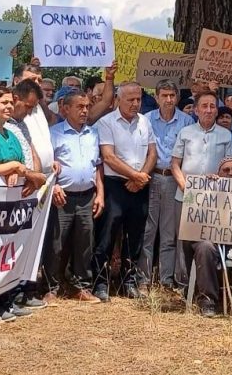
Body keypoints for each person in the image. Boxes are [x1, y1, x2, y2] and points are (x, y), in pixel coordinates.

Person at [0, 87, 47, 327]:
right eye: (2, 103)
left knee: (6, 253)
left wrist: (21, 170)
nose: (8, 106)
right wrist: (15, 167)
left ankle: (6, 301)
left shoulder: (10, 134)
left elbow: (22, 166)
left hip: (12, 206)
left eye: (9, 103)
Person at [94, 83, 157, 301]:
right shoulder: (106, 122)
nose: (135, 103)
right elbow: (108, 157)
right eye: (130, 99)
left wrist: (141, 177)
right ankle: (100, 282)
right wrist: (135, 175)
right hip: (115, 185)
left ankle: (128, 281)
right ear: (118, 99)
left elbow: (152, 153)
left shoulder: (145, 121)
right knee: (107, 234)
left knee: (136, 235)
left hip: (139, 185)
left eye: (138, 99)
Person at [171, 92, 232, 305]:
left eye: (212, 106)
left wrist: (220, 178)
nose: (208, 110)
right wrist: (187, 188)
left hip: (215, 201)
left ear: (217, 110)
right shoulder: (185, 132)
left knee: (207, 243)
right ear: (196, 109)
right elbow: (175, 165)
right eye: (204, 106)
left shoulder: (226, 135)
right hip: (186, 196)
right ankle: (183, 287)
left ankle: (207, 290)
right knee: (184, 242)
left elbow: (230, 166)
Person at [185, 157, 232, 318]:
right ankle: (208, 302)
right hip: (211, 240)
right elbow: (191, 207)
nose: (230, 173)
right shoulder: (208, 186)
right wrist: (207, 187)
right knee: (204, 247)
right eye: (226, 170)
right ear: (218, 172)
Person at [47, 91, 104, 303]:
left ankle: (82, 286)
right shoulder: (54, 133)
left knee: (85, 242)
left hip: (87, 196)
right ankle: (51, 287)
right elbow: (47, 165)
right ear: (66, 109)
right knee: (56, 243)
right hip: (62, 197)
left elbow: (97, 166)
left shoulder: (93, 133)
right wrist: (54, 186)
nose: (85, 111)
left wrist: (101, 194)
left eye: (87, 106)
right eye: (80, 107)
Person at [143, 80, 193, 289]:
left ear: (177, 97)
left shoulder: (187, 121)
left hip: (174, 179)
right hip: (150, 177)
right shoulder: (145, 120)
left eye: (172, 95)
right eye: (164, 95)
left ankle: (166, 280)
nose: (168, 100)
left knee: (169, 232)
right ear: (156, 97)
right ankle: (143, 279)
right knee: (148, 230)